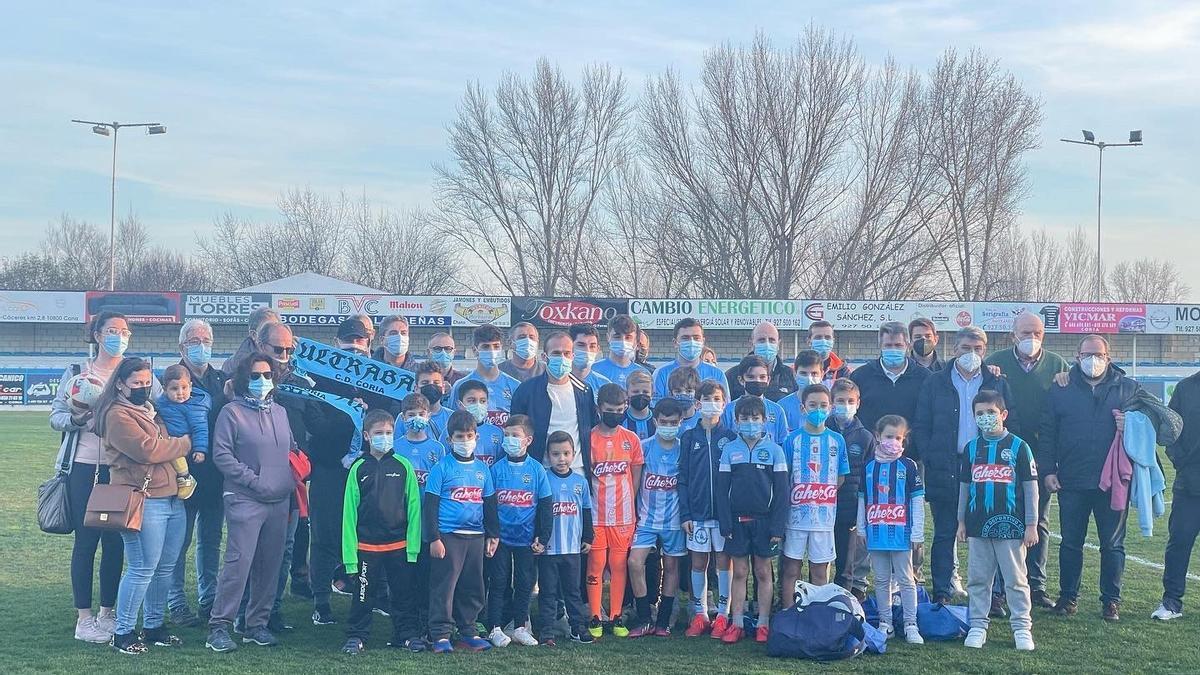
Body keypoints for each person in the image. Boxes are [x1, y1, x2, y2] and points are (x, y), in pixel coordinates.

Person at [50, 311, 141, 643]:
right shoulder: (78, 373)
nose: (119, 336)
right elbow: (56, 417)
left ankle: (108, 612)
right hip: (85, 467)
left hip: (118, 470)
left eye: (124, 331)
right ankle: (84, 618)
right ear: (98, 335)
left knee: (114, 541)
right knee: (86, 542)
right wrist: (77, 420)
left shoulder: (133, 372)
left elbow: (154, 409)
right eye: (112, 330)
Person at [93, 357, 191, 655]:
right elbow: (149, 450)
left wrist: (172, 443)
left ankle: (153, 626)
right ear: (120, 384)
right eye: (136, 383)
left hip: (173, 497)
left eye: (147, 382)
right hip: (143, 498)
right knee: (142, 568)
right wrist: (186, 443)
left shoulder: (150, 410)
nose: (143, 387)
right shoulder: (116, 415)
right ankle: (122, 631)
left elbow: (162, 444)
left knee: (164, 568)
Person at [1041, 334, 1141, 621]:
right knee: (1071, 542)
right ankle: (1068, 597)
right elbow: (1048, 433)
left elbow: (1152, 428)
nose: (1093, 359)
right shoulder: (1060, 388)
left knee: (1113, 544)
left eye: (1098, 354)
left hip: (1113, 482)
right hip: (1072, 479)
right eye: (1087, 354)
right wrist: (1048, 470)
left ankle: (1111, 601)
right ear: (1077, 356)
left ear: (1108, 357)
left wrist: (1131, 424)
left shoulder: (1128, 388)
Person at [913, 325, 1014, 605]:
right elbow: (922, 423)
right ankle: (942, 591)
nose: (972, 354)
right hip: (946, 465)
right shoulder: (936, 381)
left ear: (985, 350)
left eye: (978, 349)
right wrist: (930, 454)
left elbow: (1010, 421)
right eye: (966, 348)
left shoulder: (995, 382)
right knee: (945, 532)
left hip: (987, 466)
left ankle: (994, 596)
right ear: (954, 349)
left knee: (991, 531)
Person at [205, 353, 296, 652]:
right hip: (245, 498)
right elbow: (222, 455)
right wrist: (254, 481)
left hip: (279, 499)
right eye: (256, 376)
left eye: (267, 375)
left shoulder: (281, 412)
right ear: (245, 379)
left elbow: (291, 450)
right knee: (239, 562)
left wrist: (290, 480)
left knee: (270, 564)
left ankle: (256, 623)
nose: (262, 381)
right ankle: (219, 625)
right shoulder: (231, 413)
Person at [984, 311, 1070, 609]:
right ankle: (998, 590)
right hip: (1003, 452)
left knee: (1038, 520)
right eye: (1025, 333)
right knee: (998, 516)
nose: (1031, 339)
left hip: (1042, 453)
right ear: (1013, 335)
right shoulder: (997, 362)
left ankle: (1036, 585)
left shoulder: (1058, 365)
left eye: (1037, 333)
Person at [956, 390, 1038, 651]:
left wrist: (1032, 523)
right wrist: (961, 521)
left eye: (991, 412)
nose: (985, 417)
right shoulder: (971, 448)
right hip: (979, 525)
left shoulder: (1018, 446)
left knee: (1015, 579)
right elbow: (964, 488)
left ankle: (1022, 627)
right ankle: (978, 625)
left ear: (1003, 414)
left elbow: (1030, 487)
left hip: (1011, 526)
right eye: (980, 413)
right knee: (978, 579)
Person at [340, 409, 424, 655]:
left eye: (388, 432)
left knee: (403, 596)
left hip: (398, 546)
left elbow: (414, 508)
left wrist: (413, 547)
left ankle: (406, 634)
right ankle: (357, 635)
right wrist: (350, 556)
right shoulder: (358, 468)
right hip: (366, 547)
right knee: (363, 595)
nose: (384, 437)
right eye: (378, 433)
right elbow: (349, 514)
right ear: (367, 435)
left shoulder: (403, 466)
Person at [165, 319, 230, 627]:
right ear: (182, 347)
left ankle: (209, 599)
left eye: (206, 339)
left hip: (216, 474)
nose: (201, 345)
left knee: (211, 540)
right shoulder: (172, 380)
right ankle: (176, 602)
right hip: (182, 475)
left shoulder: (222, 378)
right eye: (194, 340)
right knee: (179, 541)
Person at [423, 410, 500, 653]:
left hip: (475, 537)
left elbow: (489, 504)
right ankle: (441, 633)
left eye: (469, 435)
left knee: (472, 585)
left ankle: (468, 630)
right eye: (459, 436)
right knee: (444, 586)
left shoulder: (482, 469)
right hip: (448, 536)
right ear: (450, 439)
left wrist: (493, 534)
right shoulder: (441, 468)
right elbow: (430, 506)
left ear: (476, 436)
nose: (465, 440)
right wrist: (434, 538)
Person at [715, 396, 789, 644]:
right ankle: (736, 623)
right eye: (744, 419)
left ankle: (763, 623)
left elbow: (782, 494)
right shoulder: (729, 450)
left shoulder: (775, 451)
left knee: (762, 571)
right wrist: (725, 523)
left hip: (765, 523)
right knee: (740, 572)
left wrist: (777, 526)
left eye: (755, 418)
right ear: (736, 421)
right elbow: (721, 492)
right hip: (736, 522)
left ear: (765, 421)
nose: (750, 423)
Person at [257, 321, 312, 612]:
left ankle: (273, 608)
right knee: (254, 548)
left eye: (289, 350)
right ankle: (249, 610)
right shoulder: (245, 380)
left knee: (286, 547)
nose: (284, 355)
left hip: (292, 477)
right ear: (260, 346)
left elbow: (316, 424)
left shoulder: (302, 385)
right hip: (255, 478)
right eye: (278, 349)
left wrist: (352, 408)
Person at [486, 414, 552, 647]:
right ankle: (493, 627)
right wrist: (491, 534)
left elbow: (545, 506)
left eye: (516, 436)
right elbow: (489, 504)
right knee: (499, 582)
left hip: (526, 539)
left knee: (525, 582)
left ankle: (520, 626)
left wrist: (543, 538)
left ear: (528, 440)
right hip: (501, 538)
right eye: (507, 435)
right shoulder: (496, 470)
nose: (510, 439)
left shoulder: (536, 470)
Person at [858, 415, 925, 644]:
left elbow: (917, 500)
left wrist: (917, 532)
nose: (893, 441)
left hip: (901, 534)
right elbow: (862, 499)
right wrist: (861, 529)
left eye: (898, 437)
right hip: (876, 532)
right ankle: (885, 622)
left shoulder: (908, 466)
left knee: (906, 579)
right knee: (881, 580)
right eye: (888, 436)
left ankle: (910, 623)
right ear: (877, 436)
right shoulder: (868, 467)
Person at [678, 379, 736, 637]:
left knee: (724, 562)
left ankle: (723, 615)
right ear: (698, 403)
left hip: (723, 516)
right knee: (699, 562)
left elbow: (737, 480)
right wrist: (686, 513)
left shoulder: (731, 437)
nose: (713, 404)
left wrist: (731, 515)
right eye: (708, 399)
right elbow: (683, 478)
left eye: (718, 399)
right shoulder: (689, 437)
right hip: (698, 515)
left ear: (724, 404)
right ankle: (700, 614)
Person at [586, 383, 645, 638]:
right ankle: (594, 616)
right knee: (596, 564)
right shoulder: (588, 438)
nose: (616, 413)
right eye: (611, 409)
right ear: (600, 409)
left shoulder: (631, 439)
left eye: (621, 409)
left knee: (619, 565)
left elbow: (636, 477)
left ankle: (616, 616)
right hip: (597, 515)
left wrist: (629, 507)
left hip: (623, 517)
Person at [780, 384, 848, 599]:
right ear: (803, 408)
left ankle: (817, 614)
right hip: (796, 519)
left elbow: (841, 476)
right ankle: (789, 612)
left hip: (824, 519)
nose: (818, 409)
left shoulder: (837, 440)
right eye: (813, 405)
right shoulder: (792, 440)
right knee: (791, 569)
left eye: (823, 405)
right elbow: (785, 476)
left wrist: (820, 494)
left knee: (820, 572)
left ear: (830, 408)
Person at [627, 398, 687, 638]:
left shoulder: (684, 447)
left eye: (673, 422)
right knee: (634, 563)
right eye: (664, 422)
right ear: (655, 421)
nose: (668, 426)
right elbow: (636, 482)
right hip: (646, 520)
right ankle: (644, 618)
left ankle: (663, 621)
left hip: (674, 520)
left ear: (680, 423)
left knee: (672, 567)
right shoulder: (644, 446)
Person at [392, 392, 445, 635]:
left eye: (421, 414)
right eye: (411, 415)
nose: (416, 418)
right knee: (404, 576)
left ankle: (425, 621)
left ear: (429, 415)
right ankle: (404, 622)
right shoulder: (396, 447)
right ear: (402, 418)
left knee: (426, 575)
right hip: (402, 522)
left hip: (427, 524)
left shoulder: (437, 449)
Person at [510, 331, 599, 473]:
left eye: (567, 353)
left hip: (577, 472)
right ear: (544, 357)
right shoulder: (526, 391)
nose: (562, 358)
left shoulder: (584, 391)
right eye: (556, 353)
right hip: (541, 472)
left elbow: (592, 428)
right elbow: (515, 430)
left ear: (573, 356)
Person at [537, 431, 595, 646]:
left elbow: (587, 511)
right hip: (549, 549)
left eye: (566, 453)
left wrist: (588, 536)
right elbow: (539, 512)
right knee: (548, 592)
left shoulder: (580, 482)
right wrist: (539, 539)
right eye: (556, 454)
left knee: (573, 592)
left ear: (573, 454)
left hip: (572, 549)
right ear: (548, 456)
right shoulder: (543, 478)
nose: (561, 459)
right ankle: (547, 631)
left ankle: (578, 628)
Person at [1157, 366, 1200, 620]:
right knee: (1179, 543)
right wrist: (1182, 463)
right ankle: (1171, 602)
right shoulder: (1185, 388)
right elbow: (1170, 432)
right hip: (1190, 484)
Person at [827, 379, 874, 599]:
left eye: (850, 401)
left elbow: (869, 474)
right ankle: (820, 593)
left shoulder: (865, 437)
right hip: (823, 505)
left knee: (846, 558)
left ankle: (845, 597)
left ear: (858, 403)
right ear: (831, 403)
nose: (845, 405)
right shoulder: (822, 430)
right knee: (821, 554)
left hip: (850, 506)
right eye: (840, 401)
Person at [849, 322, 931, 435]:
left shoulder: (925, 378)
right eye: (888, 345)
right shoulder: (860, 376)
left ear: (908, 345)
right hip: (871, 449)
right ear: (880, 346)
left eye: (898, 345)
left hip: (912, 450)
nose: (893, 349)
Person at [449, 324, 521, 421]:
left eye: (496, 346)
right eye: (486, 347)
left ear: (501, 349)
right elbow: (452, 422)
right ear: (475, 350)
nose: (492, 351)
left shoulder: (514, 385)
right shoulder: (460, 385)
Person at [153, 366, 203, 502]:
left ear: (191, 386)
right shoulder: (161, 403)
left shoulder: (195, 407)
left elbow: (201, 429)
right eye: (174, 389)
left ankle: (186, 477)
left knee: (177, 456)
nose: (180, 393)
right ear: (165, 389)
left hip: (182, 441)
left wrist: (200, 449)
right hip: (166, 440)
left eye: (184, 388)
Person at [652, 318, 729, 405]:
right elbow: (656, 407)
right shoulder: (661, 373)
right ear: (675, 343)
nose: (692, 342)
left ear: (703, 342)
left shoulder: (717, 374)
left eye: (696, 338)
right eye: (685, 338)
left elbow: (725, 408)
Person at [724, 321, 798, 402]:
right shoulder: (732, 375)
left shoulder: (790, 375)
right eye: (761, 340)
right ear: (752, 343)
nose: (767, 344)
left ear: (778, 344)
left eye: (772, 340)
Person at [721, 356, 788, 443]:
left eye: (762, 377)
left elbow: (783, 442)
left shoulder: (777, 410)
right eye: (751, 377)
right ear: (741, 380)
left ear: (768, 380)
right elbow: (724, 440)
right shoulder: (729, 410)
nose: (757, 381)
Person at [453, 379, 505, 467]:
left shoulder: (497, 433)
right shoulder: (451, 431)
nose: (478, 405)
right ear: (460, 404)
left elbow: (501, 464)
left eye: (482, 401)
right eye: (471, 401)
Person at [590, 315, 648, 389]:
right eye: (617, 337)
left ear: (635, 340)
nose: (623, 341)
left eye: (628, 337)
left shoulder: (643, 374)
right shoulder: (594, 369)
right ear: (608, 338)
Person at [222, 306, 280, 376]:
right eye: (266, 329)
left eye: (276, 328)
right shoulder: (234, 366)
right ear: (253, 335)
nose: (274, 333)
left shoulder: (289, 357)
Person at [780, 350, 825, 431]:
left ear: (822, 375)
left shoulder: (828, 407)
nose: (809, 378)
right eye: (803, 373)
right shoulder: (782, 407)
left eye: (814, 374)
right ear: (794, 374)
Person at [569, 323, 613, 398]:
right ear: (569, 347)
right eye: (581, 345)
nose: (587, 350)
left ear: (597, 349)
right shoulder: (559, 382)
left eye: (592, 346)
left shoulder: (605, 385)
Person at [415, 361, 452, 442]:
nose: (431, 386)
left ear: (443, 388)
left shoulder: (452, 417)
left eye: (436, 383)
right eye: (425, 383)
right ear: (416, 388)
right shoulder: (406, 417)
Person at [807, 320, 850, 386]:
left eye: (827, 337)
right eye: (818, 337)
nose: (823, 341)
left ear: (833, 341)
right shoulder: (796, 369)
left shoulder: (843, 371)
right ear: (809, 342)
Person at [622, 369, 655, 439]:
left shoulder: (658, 418)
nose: (640, 395)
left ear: (652, 394)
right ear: (626, 393)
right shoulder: (621, 419)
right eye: (635, 392)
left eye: (645, 392)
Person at [668, 366, 703, 433]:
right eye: (678, 391)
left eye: (689, 391)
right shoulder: (666, 420)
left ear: (696, 393)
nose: (683, 394)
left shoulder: (703, 420)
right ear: (671, 394)